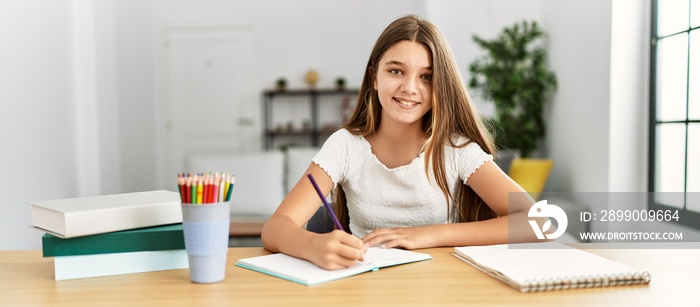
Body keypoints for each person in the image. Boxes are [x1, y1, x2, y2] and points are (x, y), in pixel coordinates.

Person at [261, 14, 535, 270]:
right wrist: (313, 245)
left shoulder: (455, 149)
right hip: (364, 283)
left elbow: (539, 222)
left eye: (426, 77)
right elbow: (274, 229)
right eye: (396, 71)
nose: (410, 88)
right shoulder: (344, 146)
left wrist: (429, 235)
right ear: (374, 78)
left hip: (440, 287)